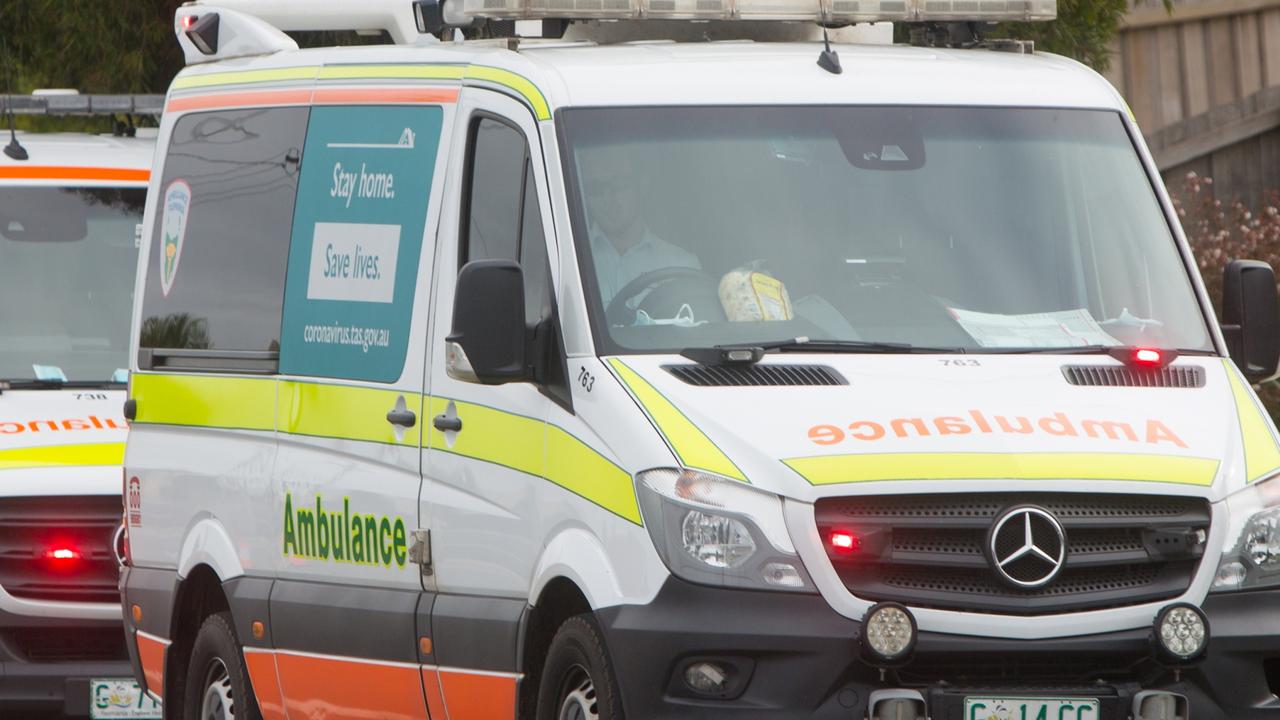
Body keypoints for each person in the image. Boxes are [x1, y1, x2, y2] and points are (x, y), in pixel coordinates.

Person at [581, 145, 700, 306]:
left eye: (619, 185)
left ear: (642, 185)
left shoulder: (682, 265)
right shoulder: (570, 263)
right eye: (596, 189)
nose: (607, 199)